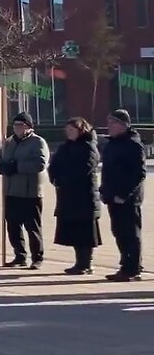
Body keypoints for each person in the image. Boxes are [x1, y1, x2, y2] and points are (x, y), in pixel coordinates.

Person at [0, 112, 50, 269]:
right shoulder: (8, 142)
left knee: (32, 227)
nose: (17, 128)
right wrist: (0, 166)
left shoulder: (38, 142)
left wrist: (17, 166)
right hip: (11, 191)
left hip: (30, 192)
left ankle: (37, 257)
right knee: (12, 225)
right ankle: (20, 255)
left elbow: (40, 163)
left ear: (28, 127)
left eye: (21, 125)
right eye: (15, 125)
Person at [47, 117, 102, 275]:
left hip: (84, 197)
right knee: (75, 232)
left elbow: (84, 169)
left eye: (72, 130)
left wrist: (66, 179)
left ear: (80, 130)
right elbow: (54, 165)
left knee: (85, 232)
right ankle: (79, 262)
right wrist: (55, 178)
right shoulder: (65, 147)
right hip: (67, 196)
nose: (69, 133)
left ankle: (86, 263)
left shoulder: (88, 147)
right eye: (67, 130)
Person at [100, 109, 144, 282]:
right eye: (109, 122)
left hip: (128, 198)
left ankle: (133, 268)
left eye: (113, 123)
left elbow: (138, 173)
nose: (109, 126)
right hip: (113, 196)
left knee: (130, 234)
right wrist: (104, 190)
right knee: (118, 232)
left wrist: (125, 194)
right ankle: (125, 265)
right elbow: (107, 171)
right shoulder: (112, 144)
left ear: (123, 125)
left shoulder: (133, 144)